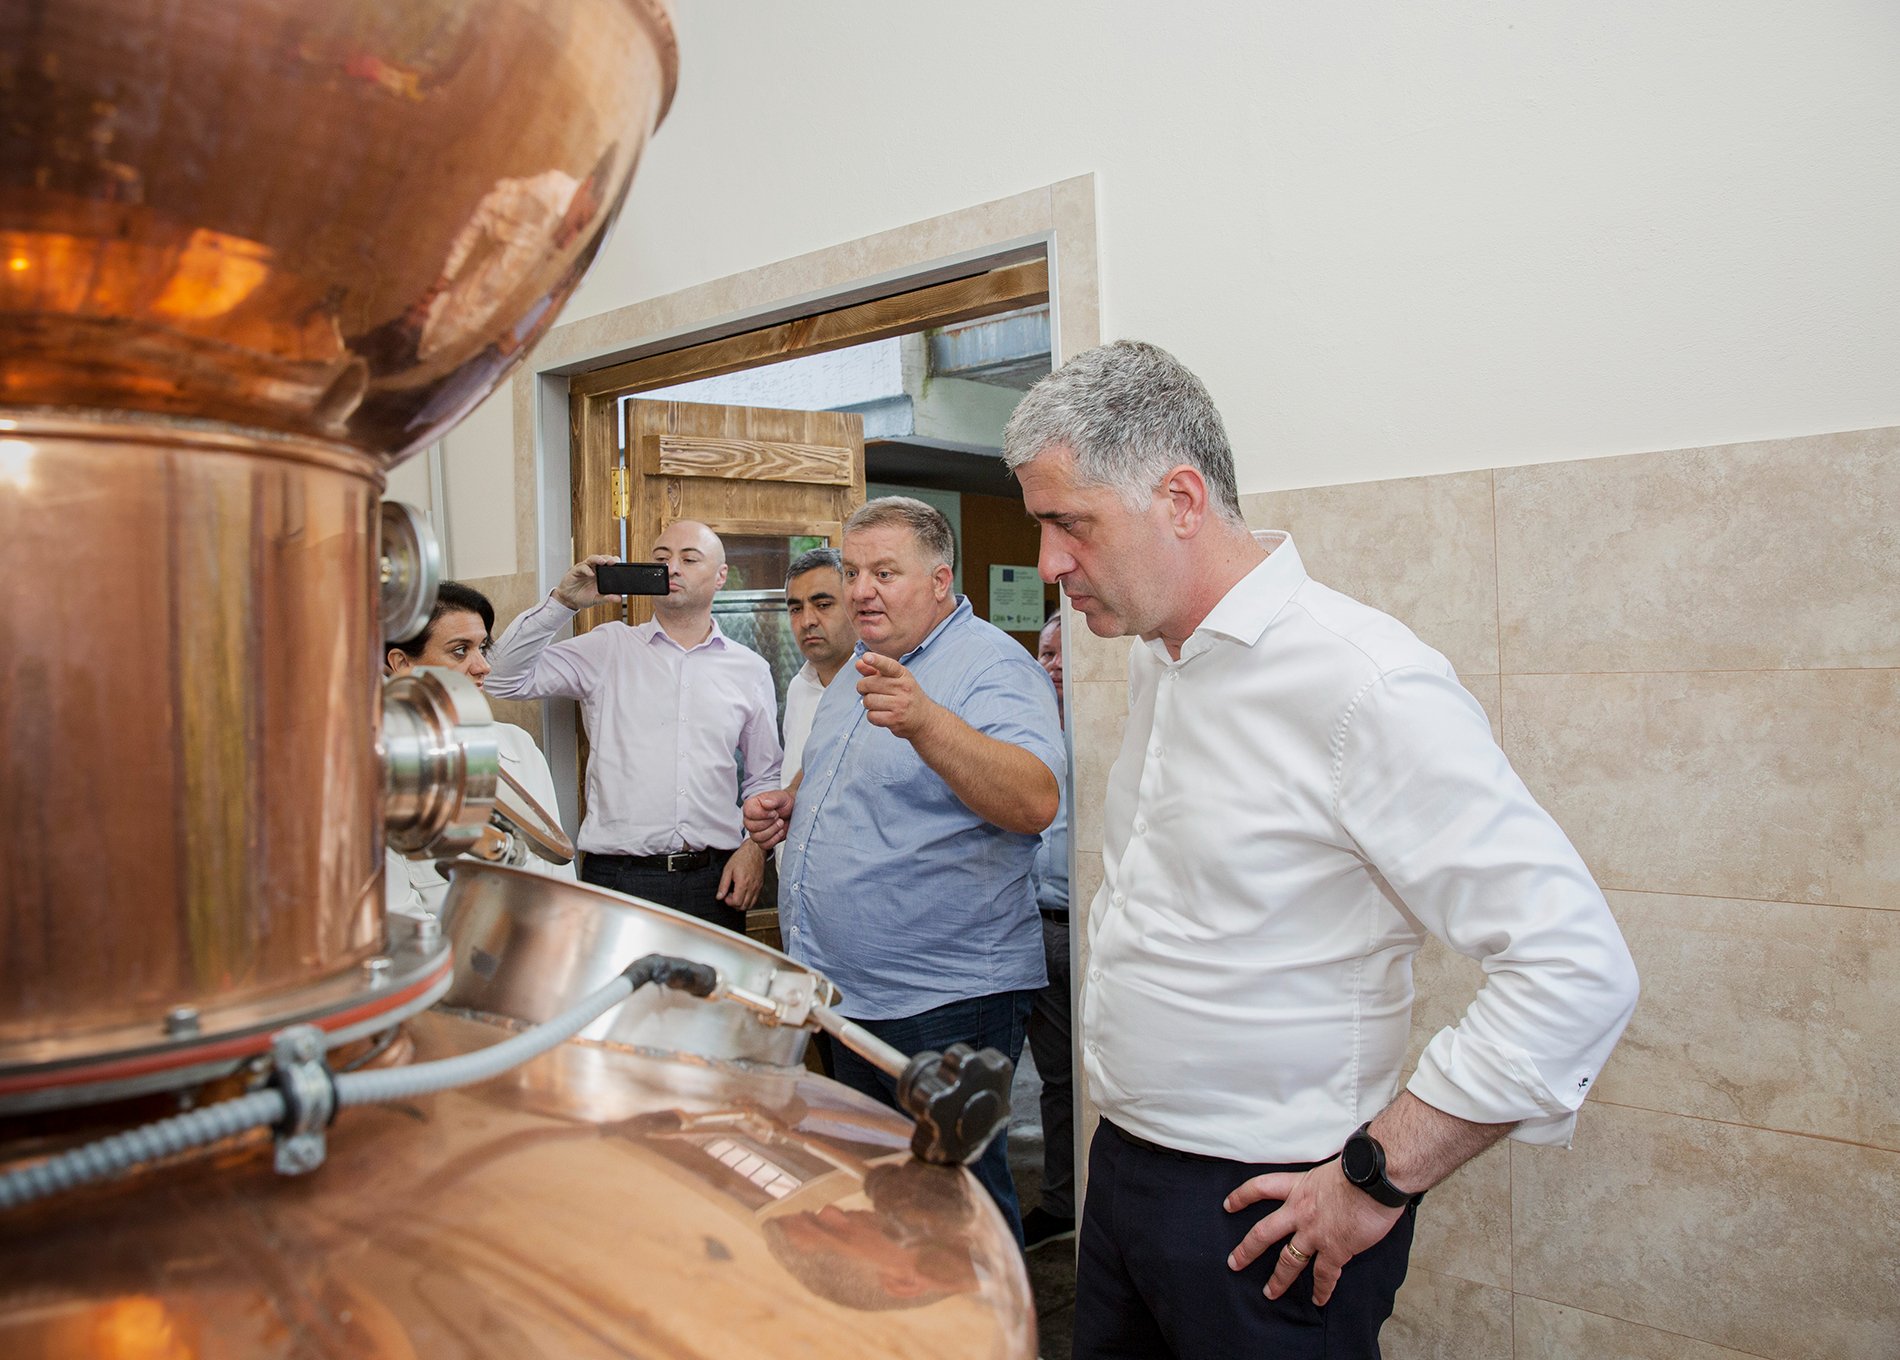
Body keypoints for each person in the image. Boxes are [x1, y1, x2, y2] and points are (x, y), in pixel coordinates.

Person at [1003, 341, 1640, 1359]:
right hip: (1124, 1173)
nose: (1048, 564)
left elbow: (1575, 968)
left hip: (1269, 1208)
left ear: (1180, 499)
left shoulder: (1363, 684)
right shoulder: (1163, 657)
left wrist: (1377, 1175)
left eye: (1069, 524)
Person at [743, 497, 1064, 1244]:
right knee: (885, 1187)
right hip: (849, 992)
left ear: (940, 580)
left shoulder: (991, 665)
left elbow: (1034, 799)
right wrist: (792, 803)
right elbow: (847, 770)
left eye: (884, 573)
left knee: (955, 1202)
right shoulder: (860, 664)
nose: (861, 591)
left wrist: (926, 720)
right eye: (853, 571)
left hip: (945, 998)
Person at [486, 521, 779, 928]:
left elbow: (765, 777)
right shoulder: (607, 647)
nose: (672, 568)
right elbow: (500, 678)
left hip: (715, 882)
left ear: (720, 576)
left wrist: (755, 850)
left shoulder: (750, 669)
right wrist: (563, 602)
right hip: (619, 879)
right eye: (661, 558)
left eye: (689, 559)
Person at [382, 581, 575, 916]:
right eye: (460, 651)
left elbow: (558, 873)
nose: (482, 666)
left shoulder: (518, 746)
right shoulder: (380, 770)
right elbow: (395, 913)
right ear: (402, 663)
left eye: (482, 648)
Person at [1018, 609, 1076, 1252]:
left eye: (1062, 654)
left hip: (1090, 932)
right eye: (1044, 653)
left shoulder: (1110, 729)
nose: (1051, 665)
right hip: (1035, 927)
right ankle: (1062, 1201)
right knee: (1055, 1078)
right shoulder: (1024, 731)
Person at [779, 546, 857, 786]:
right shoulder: (799, 687)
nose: (807, 621)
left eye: (822, 605)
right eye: (796, 609)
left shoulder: (878, 687)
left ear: (855, 604)